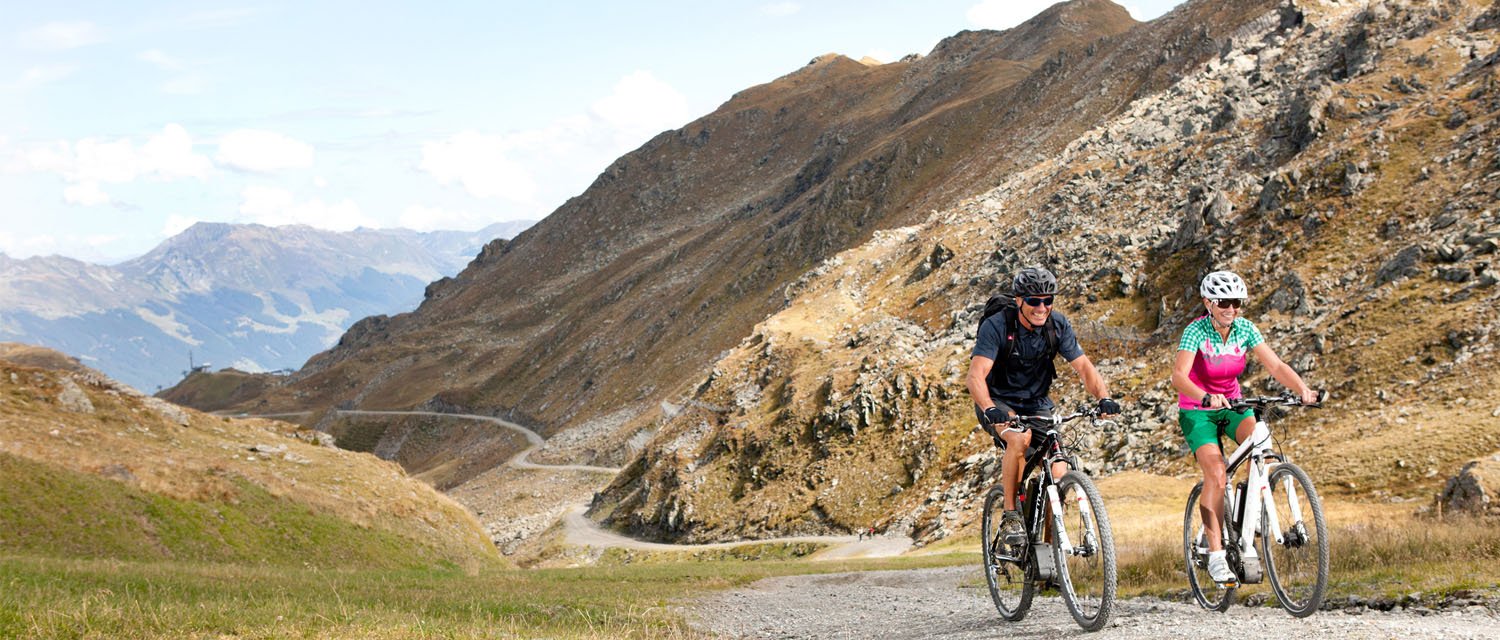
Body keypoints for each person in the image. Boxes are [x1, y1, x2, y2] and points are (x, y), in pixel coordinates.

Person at [1170, 270, 1318, 585]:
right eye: (1224, 302)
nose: (1232, 309)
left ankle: (1244, 517)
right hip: (1198, 410)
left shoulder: (1245, 329)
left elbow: (1276, 365)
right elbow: (1179, 377)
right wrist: (1205, 397)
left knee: (1261, 447)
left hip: (1234, 405)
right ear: (1208, 302)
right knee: (1217, 473)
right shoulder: (1195, 331)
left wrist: (1303, 390)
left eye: (1237, 303)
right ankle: (1216, 556)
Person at [966, 266, 1119, 545]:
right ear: (1019, 300)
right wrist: (990, 408)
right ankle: (1011, 516)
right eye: (1034, 301)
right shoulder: (998, 326)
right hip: (997, 401)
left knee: (1059, 472)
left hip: (1037, 404)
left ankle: (1052, 554)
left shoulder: (1057, 325)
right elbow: (975, 376)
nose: (1042, 307)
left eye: (1048, 300)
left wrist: (1103, 398)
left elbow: (1084, 367)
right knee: (1018, 438)